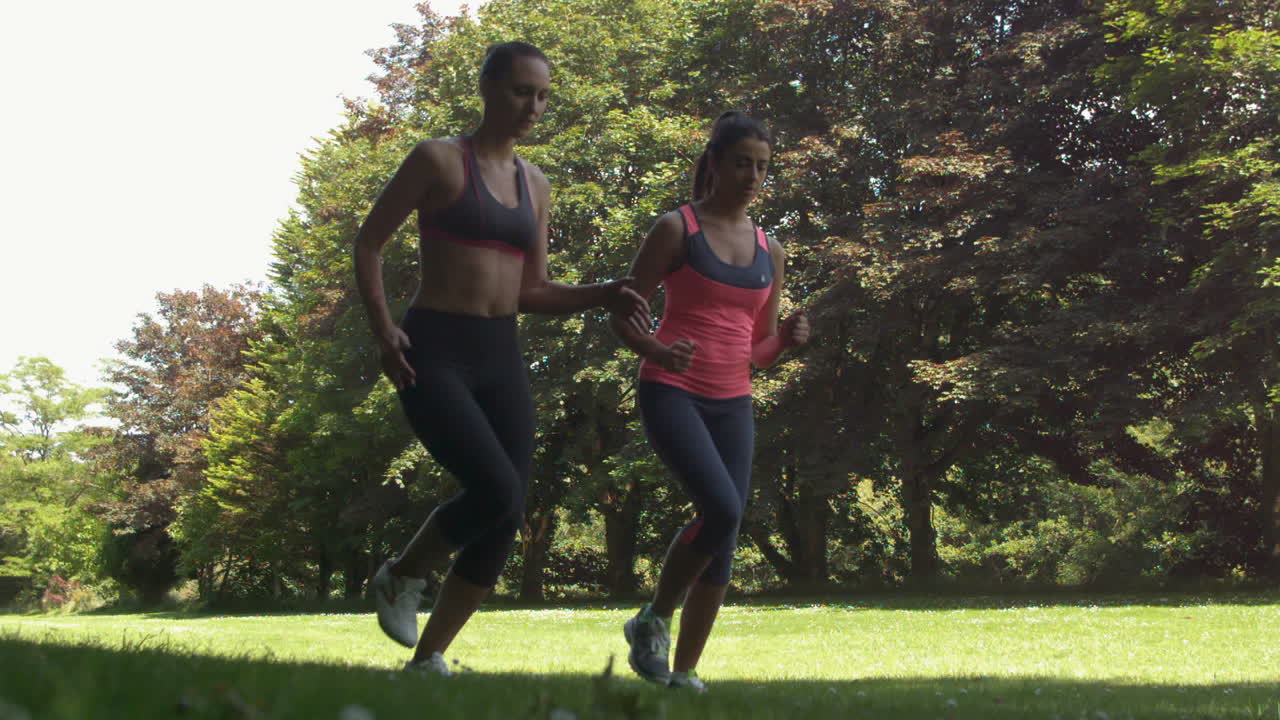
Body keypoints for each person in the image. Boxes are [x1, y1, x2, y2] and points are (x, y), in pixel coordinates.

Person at [353, 41, 650, 676]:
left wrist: (605, 293)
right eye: (521, 91)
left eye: (542, 96)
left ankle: (429, 657)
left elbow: (532, 290)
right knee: (491, 486)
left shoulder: (534, 185)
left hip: (499, 353)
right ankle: (401, 574)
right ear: (487, 88)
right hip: (431, 347)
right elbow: (370, 240)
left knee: (508, 509)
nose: (533, 107)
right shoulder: (438, 160)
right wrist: (384, 331)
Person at [609, 111, 811, 693]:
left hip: (733, 399)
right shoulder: (678, 229)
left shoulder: (770, 250)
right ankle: (652, 619)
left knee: (723, 533)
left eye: (763, 167)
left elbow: (758, 350)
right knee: (722, 510)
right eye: (743, 163)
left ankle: (684, 672)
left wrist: (789, 340)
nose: (753, 176)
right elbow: (624, 311)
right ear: (716, 163)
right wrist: (656, 347)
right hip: (671, 388)